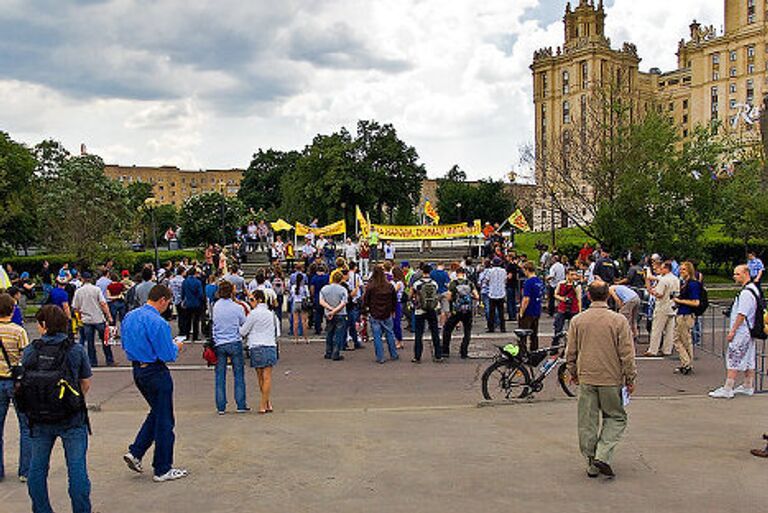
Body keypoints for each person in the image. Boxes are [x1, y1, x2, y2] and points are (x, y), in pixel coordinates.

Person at [22, 305, 92, 512]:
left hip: (39, 417)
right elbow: (85, 382)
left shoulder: (31, 350)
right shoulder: (75, 349)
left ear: (43, 325)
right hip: (72, 417)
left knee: (37, 469)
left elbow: (24, 380)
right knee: (77, 468)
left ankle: (42, 509)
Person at [565, 280, 636, 479]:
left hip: (586, 376)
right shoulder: (619, 320)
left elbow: (570, 351)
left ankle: (591, 462)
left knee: (587, 421)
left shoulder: (578, 320)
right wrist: (630, 377)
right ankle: (603, 454)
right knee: (616, 417)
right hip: (611, 378)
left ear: (588, 296)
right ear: (607, 296)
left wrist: (573, 372)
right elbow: (627, 353)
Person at [121, 285, 187, 482]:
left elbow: (125, 343)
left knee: (157, 412)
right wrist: (176, 346)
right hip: (155, 370)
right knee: (165, 420)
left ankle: (137, 451)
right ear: (163, 300)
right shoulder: (158, 322)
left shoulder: (130, 316)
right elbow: (167, 354)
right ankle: (162, 467)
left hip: (138, 369)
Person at [709, 265, 760, 399]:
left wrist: (733, 331)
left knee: (733, 356)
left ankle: (728, 387)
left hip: (742, 331)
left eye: (737, 274)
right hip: (749, 330)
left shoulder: (746, 293)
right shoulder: (754, 289)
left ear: (745, 273)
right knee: (748, 357)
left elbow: (741, 314)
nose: (735, 277)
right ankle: (748, 385)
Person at [0, 293, 30, 483]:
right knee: (25, 427)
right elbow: (25, 357)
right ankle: (25, 470)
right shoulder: (18, 331)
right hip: (16, 381)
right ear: (12, 309)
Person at [211, 281, 249, 415]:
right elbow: (244, 323)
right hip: (234, 340)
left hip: (220, 342)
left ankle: (221, 406)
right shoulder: (237, 307)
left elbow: (214, 322)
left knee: (220, 376)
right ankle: (240, 404)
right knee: (238, 374)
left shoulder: (216, 306)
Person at [241, 290, 280, 414]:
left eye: (252, 299)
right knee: (267, 377)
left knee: (260, 377)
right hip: (270, 344)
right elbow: (277, 332)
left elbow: (243, 331)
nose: (250, 302)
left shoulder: (253, 314)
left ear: (259, 300)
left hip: (256, 345)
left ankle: (264, 403)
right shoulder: (271, 314)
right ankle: (266, 402)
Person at [72, 271, 115, 367]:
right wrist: (109, 316)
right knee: (105, 341)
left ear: (82, 279)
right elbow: (103, 304)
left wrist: (80, 316)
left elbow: (75, 307)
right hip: (98, 318)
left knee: (90, 343)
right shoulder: (97, 290)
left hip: (86, 319)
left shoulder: (79, 291)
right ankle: (109, 359)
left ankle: (93, 361)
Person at [363, 266, 399, 364]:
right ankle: (393, 353)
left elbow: (366, 300)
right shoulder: (389, 286)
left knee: (377, 336)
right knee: (389, 333)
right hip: (387, 313)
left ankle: (380, 357)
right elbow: (394, 300)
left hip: (374, 313)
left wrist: (365, 311)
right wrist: (393, 310)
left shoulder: (370, 286)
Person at [441, 267, 479, 359]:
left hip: (456, 310)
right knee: (467, 331)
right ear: (464, 273)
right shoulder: (469, 283)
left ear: (456, 273)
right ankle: (464, 351)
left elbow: (449, 297)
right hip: (468, 310)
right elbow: (477, 296)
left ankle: (445, 350)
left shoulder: (453, 283)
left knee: (447, 329)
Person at [671, 261, 701, 375]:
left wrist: (679, 301)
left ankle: (687, 362)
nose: (681, 271)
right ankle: (686, 362)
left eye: (683, 269)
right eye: (680, 269)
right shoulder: (686, 283)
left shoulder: (692, 284)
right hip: (682, 313)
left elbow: (696, 302)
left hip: (686, 315)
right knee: (683, 339)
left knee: (680, 339)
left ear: (689, 271)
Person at [645, 261, 679, 357]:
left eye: (662, 268)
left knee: (657, 329)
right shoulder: (676, 279)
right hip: (672, 306)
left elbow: (659, 294)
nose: (660, 270)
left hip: (662, 306)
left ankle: (653, 350)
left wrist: (652, 292)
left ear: (666, 269)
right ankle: (667, 349)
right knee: (670, 330)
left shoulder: (664, 280)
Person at [411, 264, 443, 363]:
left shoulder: (417, 284)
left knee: (419, 334)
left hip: (420, 310)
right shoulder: (434, 283)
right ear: (430, 272)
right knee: (434, 332)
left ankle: (417, 356)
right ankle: (438, 355)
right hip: (431, 309)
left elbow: (410, 295)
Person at [319, 273, 348, 361]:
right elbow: (343, 303)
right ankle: (336, 353)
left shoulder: (324, 289)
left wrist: (330, 309)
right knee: (338, 334)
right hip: (340, 314)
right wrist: (335, 311)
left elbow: (321, 301)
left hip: (328, 313)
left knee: (329, 333)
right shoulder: (343, 289)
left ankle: (328, 352)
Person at [518, 261, 545, 352]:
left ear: (527, 270)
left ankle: (523, 353)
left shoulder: (528, 282)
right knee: (534, 334)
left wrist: (521, 311)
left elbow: (526, 298)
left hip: (528, 311)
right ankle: (534, 352)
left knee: (523, 334)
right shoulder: (539, 281)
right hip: (537, 310)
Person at [553, 269, 582, 336]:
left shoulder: (577, 286)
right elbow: (555, 294)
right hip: (562, 308)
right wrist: (562, 299)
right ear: (567, 275)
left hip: (573, 308)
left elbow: (579, 299)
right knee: (558, 326)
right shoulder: (561, 284)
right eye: (572, 274)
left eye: (575, 275)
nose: (573, 277)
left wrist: (580, 312)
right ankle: (556, 341)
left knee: (573, 329)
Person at [181, 268, 205, 341]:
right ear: (195, 273)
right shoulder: (198, 282)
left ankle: (187, 335)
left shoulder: (184, 282)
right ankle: (195, 336)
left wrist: (183, 300)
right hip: (196, 303)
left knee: (187, 320)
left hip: (188, 302)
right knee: (196, 320)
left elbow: (183, 293)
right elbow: (200, 294)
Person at [486, 257, 507, 333]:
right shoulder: (504, 271)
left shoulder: (490, 271)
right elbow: (505, 279)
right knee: (501, 312)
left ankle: (491, 328)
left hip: (492, 293)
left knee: (492, 312)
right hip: (501, 293)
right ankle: (502, 328)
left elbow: (487, 280)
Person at [289, 273, 310, 344]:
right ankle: (306, 338)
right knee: (304, 321)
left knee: (295, 322)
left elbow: (291, 295)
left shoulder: (293, 287)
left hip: (295, 303)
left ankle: (296, 339)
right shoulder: (305, 287)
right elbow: (308, 295)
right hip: (302, 303)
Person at [430, 263, 451, 328]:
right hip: (444, 292)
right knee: (444, 310)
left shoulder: (432, 273)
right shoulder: (445, 273)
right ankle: (441, 324)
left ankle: (434, 324)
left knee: (434, 309)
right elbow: (447, 284)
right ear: (443, 266)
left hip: (435, 293)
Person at [310, 265, 330, 335]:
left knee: (318, 314)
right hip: (326, 297)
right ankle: (328, 327)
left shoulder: (314, 278)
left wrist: (312, 296)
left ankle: (318, 329)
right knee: (328, 312)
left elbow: (312, 288)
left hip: (317, 297)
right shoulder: (327, 277)